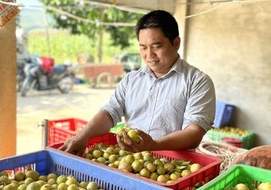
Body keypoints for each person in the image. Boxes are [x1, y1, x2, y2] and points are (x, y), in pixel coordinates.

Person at [59, 10, 216, 155]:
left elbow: (194, 133)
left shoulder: (198, 82)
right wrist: (83, 135)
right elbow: (110, 112)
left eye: (157, 46)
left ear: (176, 43)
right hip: (130, 162)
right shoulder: (131, 79)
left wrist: (153, 145)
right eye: (143, 48)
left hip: (172, 168)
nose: (149, 55)